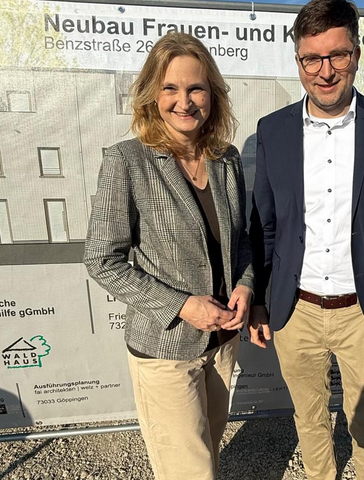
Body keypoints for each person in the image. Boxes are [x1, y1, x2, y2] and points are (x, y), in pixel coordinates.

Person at [248, 0, 364, 479]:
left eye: (338, 55)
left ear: (357, 54)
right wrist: (261, 301)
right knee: (309, 423)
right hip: (296, 310)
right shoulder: (272, 130)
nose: (325, 71)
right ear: (298, 61)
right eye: (312, 58)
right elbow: (266, 225)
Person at [83, 32, 253, 480]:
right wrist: (182, 305)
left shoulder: (226, 159)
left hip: (222, 343)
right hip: (165, 349)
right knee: (189, 472)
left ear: (212, 94)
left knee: (208, 454)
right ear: (151, 95)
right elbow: (101, 259)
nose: (185, 101)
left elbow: (242, 240)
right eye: (170, 88)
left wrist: (246, 285)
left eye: (196, 88)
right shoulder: (127, 161)